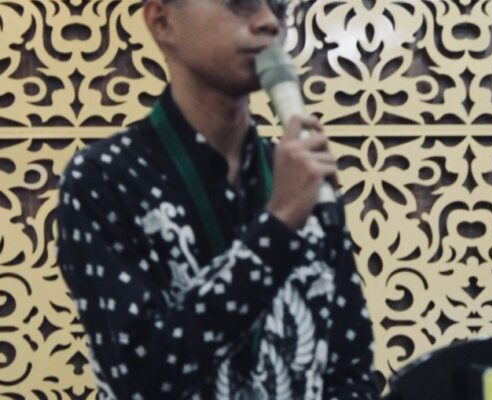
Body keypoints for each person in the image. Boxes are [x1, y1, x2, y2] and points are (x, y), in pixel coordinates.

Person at [55, 0, 378, 398]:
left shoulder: (300, 177)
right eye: (241, 4)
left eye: (279, 8)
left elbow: (351, 369)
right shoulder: (105, 177)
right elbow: (140, 379)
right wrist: (277, 226)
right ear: (162, 21)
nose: (268, 22)